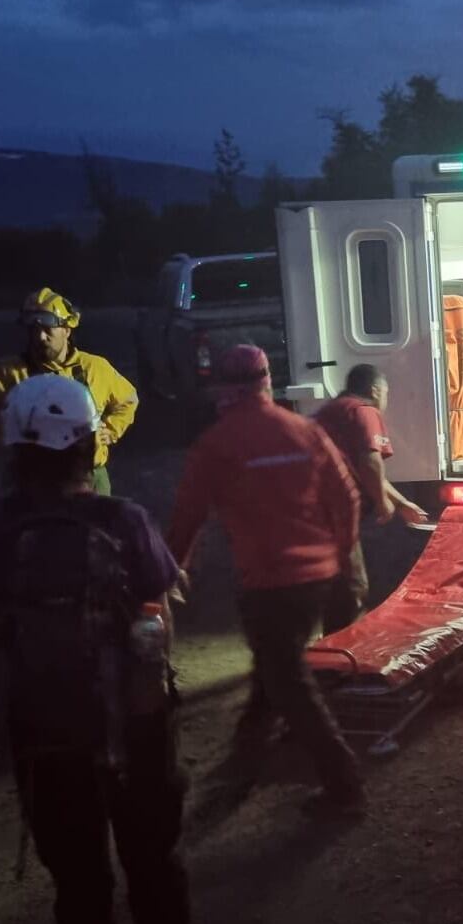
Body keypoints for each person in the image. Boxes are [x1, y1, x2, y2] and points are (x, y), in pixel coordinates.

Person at [0, 374, 192, 924]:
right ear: (89, 444)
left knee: (79, 878)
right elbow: (159, 611)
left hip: (41, 733)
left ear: (15, 447)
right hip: (134, 727)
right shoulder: (122, 520)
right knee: (152, 859)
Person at [166, 345, 366, 816]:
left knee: (288, 679)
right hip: (318, 578)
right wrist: (343, 553)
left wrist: (172, 568)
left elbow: (187, 516)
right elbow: (347, 498)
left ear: (222, 387)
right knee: (274, 669)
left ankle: (345, 787)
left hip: (268, 584)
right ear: (266, 381)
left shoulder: (216, 444)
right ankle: (243, 763)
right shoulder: (306, 431)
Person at [0, 287, 139, 494]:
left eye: (48, 329)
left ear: (67, 330)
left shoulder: (95, 368)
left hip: (89, 477)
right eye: (33, 330)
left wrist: (110, 430)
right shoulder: (10, 372)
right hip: (32, 481)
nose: (40, 337)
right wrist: (5, 429)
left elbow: (128, 398)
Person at [314, 364, 428, 632]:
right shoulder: (364, 411)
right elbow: (370, 463)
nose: (385, 400)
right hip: (336, 510)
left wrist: (401, 502)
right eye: (386, 393)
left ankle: (329, 640)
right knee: (354, 585)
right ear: (375, 390)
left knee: (334, 580)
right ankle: (341, 647)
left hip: (313, 510)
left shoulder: (330, 411)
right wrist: (382, 502)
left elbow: (365, 470)